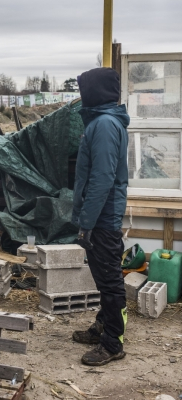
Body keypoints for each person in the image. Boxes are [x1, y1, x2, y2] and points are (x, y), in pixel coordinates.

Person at [71, 67, 129, 366]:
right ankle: (103, 326)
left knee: (110, 283)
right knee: (104, 278)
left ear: (94, 91)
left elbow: (102, 178)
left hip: (102, 219)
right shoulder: (102, 121)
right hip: (101, 216)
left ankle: (112, 343)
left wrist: (87, 223)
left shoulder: (105, 124)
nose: (81, 95)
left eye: (84, 89)